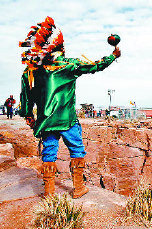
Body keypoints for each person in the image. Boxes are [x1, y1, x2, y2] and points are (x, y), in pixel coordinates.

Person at [19, 16, 121, 198]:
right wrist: (113, 56)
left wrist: (29, 116)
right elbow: (96, 65)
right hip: (67, 120)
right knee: (76, 149)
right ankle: (78, 188)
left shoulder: (30, 71)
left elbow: (26, 98)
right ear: (60, 46)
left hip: (46, 122)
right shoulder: (68, 65)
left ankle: (49, 192)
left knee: (49, 151)